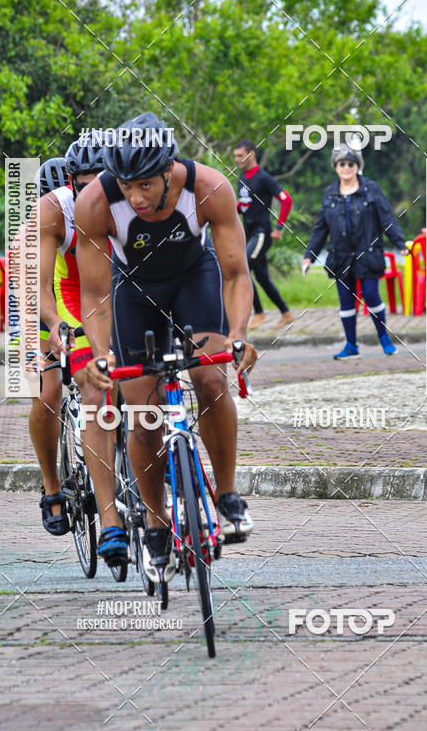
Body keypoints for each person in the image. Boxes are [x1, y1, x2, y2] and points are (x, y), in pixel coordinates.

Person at [75, 113, 257, 578]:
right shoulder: (95, 203)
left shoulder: (209, 188)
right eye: (127, 186)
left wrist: (237, 336)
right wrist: (100, 352)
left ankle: (229, 495)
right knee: (144, 412)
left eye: (146, 186)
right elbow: (94, 295)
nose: (136, 197)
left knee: (211, 377)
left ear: (169, 169)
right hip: (132, 292)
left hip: (193, 280)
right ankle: (156, 525)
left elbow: (236, 273)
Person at [29, 137, 105, 535]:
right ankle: (51, 485)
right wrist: (57, 327)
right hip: (35, 299)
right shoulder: (50, 216)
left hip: (83, 292)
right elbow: (40, 290)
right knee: (50, 390)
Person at [301, 144, 408, 359]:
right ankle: (351, 345)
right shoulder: (330, 193)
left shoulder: (371, 189)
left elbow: (387, 218)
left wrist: (400, 243)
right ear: (336, 167)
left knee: (370, 294)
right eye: (342, 164)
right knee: (346, 301)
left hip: (368, 253)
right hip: (340, 257)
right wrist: (308, 257)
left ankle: (384, 338)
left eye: (350, 163)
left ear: (357, 166)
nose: (346, 167)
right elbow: (321, 228)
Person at [233, 139, 295, 331]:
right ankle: (286, 313)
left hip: (262, 234)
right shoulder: (242, 179)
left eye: (240, 156)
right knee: (262, 277)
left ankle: (259, 313)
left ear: (252, 154)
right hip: (249, 234)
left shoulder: (264, 178)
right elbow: (243, 206)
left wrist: (278, 228)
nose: (237, 160)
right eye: (235, 156)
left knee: (243, 268)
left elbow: (286, 199)